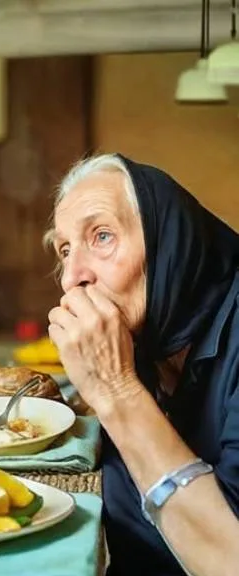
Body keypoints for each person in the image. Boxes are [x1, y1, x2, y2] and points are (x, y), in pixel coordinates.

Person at [45, 153, 239, 576]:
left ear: (169, 242)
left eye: (101, 236)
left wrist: (115, 388)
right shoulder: (153, 346)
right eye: (64, 249)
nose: (71, 276)